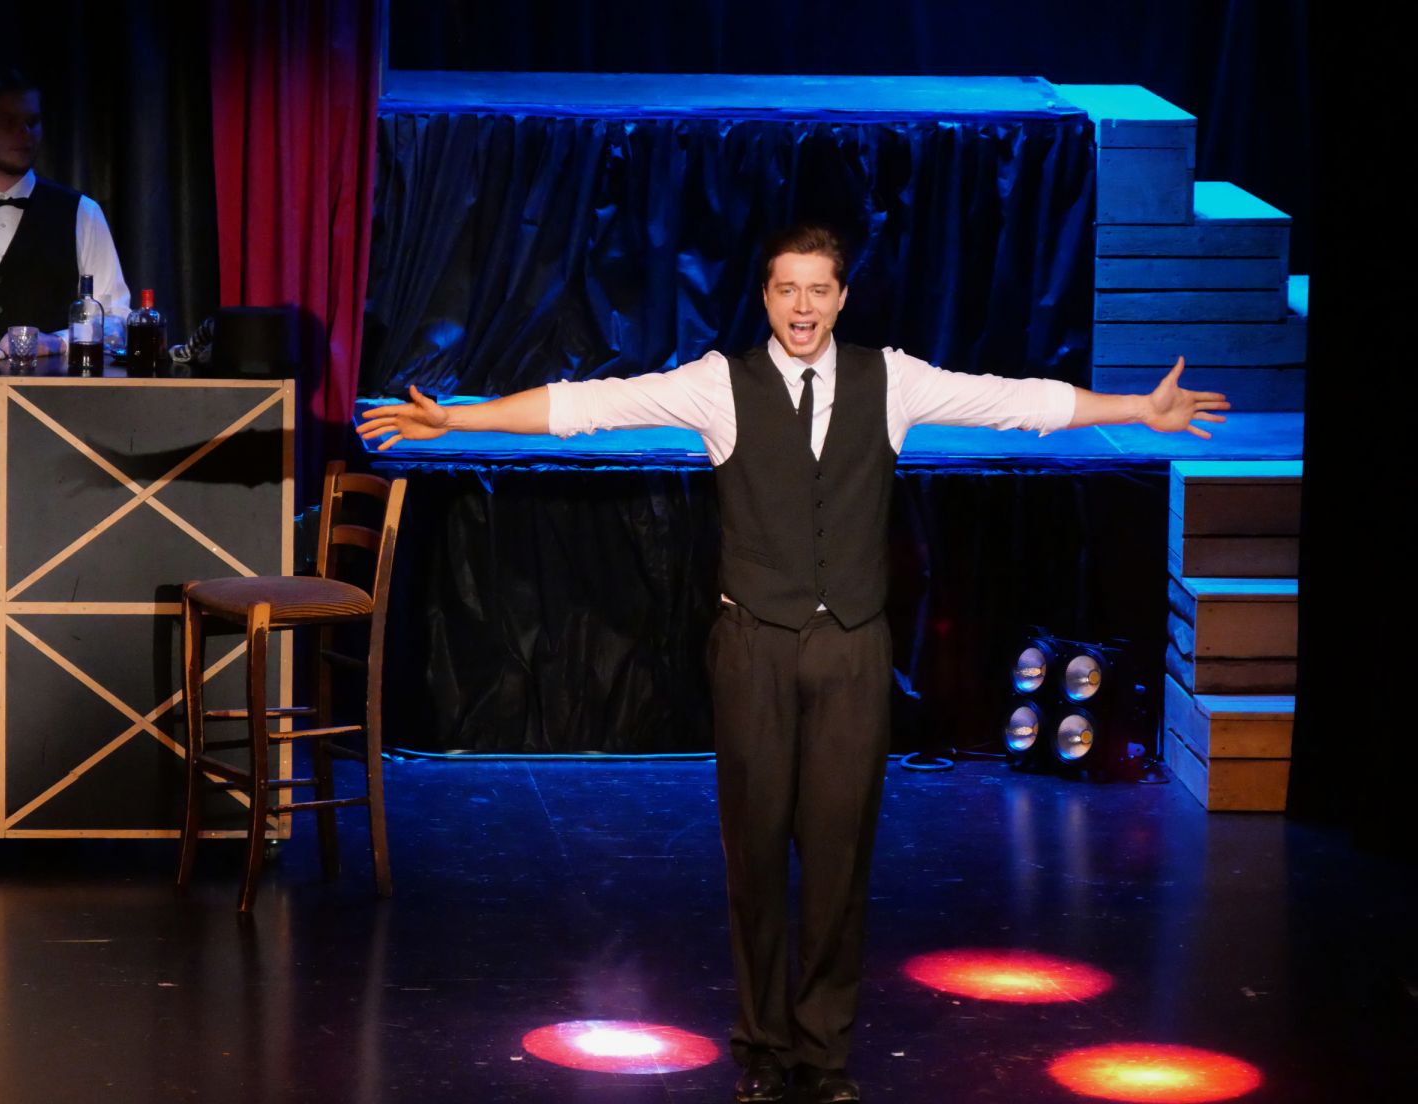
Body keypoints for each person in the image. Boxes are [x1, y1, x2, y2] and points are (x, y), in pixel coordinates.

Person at [357, 224, 1230, 1103]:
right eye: (787, 289)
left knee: (840, 860)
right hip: (754, 650)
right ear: (767, 298)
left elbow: (1012, 401)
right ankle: (763, 1051)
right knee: (756, 857)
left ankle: (823, 1055)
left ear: (841, 298)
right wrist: (456, 419)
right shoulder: (718, 385)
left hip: (851, 651)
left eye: (819, 290)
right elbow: (589, 406)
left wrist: (1136, 409)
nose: (803, 307)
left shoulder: (892, 380)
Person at [0, 68, 129, 361]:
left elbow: (116, 318)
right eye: (8, 122)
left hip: (52, 389)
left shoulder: (82, 212)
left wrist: (58, 342)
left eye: (33, 122)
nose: (24, 134)